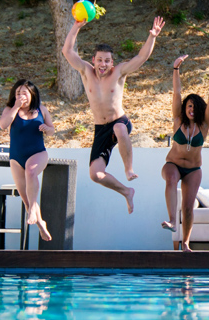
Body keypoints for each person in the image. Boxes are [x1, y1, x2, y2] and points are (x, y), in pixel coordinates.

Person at [62, 16, 165, 214]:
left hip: (120, 122)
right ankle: (127, 191)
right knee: (96, 174)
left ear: (112, 62)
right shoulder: (85, 71)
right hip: (100, 129)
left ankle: (129, 169)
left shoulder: (118, 73)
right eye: (99, 60)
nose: (103, 64)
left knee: (118, 128)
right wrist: (75, 26)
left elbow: (140, 58)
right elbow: (67, 51)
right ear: (93, 60)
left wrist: (152, 36)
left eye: (107, 61)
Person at [161, 55, 209, 252]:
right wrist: (176, 69)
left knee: (188, 207)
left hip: (193, 169)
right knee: (170, 178)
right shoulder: (177, 120)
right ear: (184, 108)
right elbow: (177, 93)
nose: (191, 109)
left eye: (194, 106)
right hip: (174, 165)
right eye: (189, 106)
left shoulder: (204, 126)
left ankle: (185, 243)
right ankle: (171, 220)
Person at [0, 79, 54, 241]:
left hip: (38, 153)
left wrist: (47, 129)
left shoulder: (41, 110)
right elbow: (3, 125)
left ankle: (32, 212)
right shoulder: (10, 109)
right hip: (16, 157)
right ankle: (41, 223)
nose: (21, 96)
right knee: (26, 198)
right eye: (17, 93)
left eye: (24, 93)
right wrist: (15, 106)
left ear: (32, 94)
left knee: (31, 171)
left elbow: (52, 131)